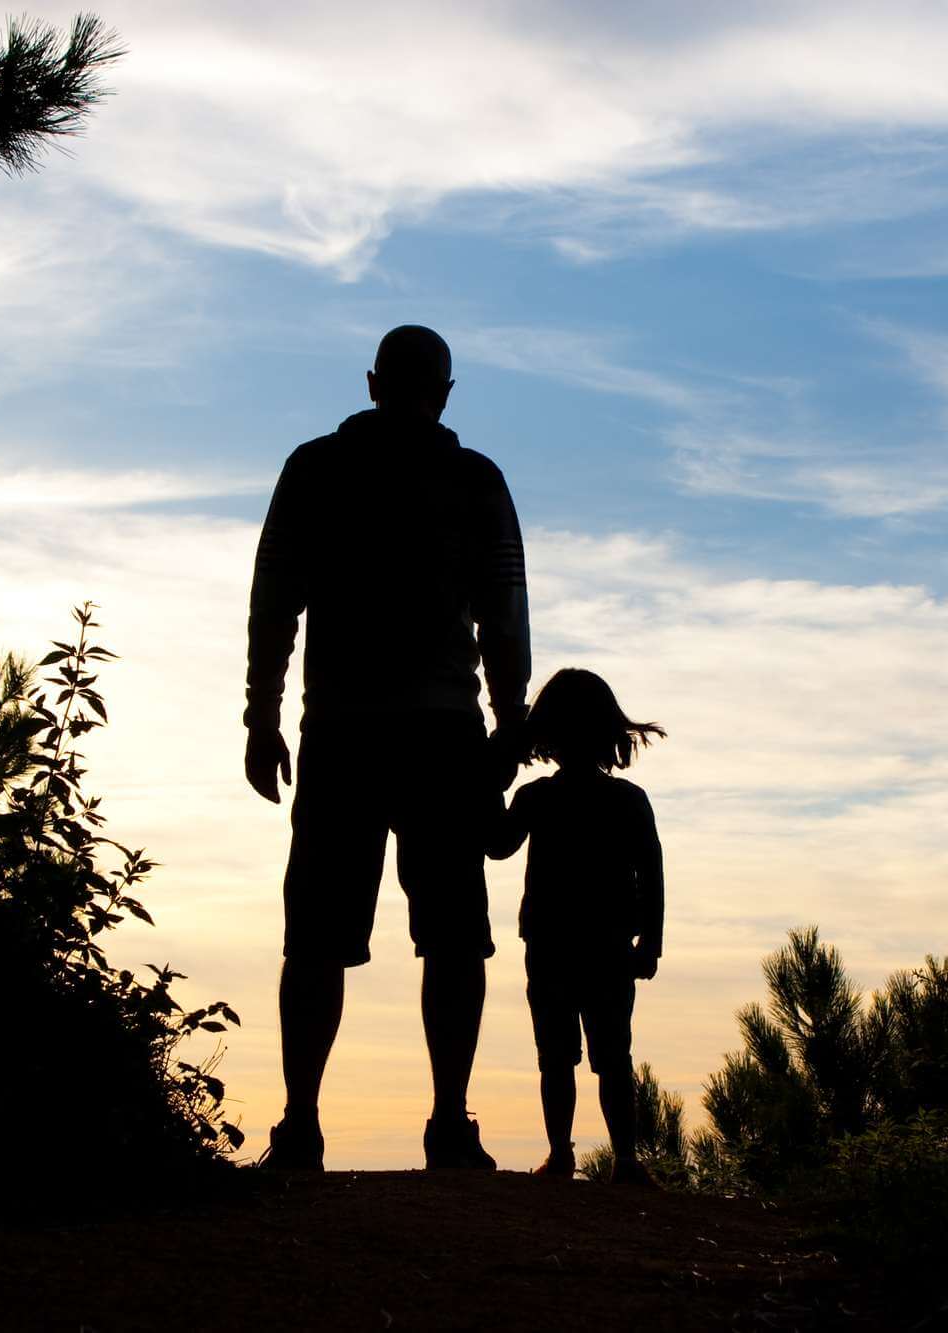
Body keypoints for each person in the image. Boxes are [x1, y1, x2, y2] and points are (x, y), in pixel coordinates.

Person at [244, 325, 530, 1171]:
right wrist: (511, 720)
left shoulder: (315, 468)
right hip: (440, 733)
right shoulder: (475, 480)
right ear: (446, 392)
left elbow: (273, 602)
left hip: (344, 729)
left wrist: (261, 714)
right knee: (452, 934)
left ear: (372, 382)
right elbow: (505, 613)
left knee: (320, 935)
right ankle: (446, 1122)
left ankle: (302, 1123)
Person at [487, 668, 665, 1184]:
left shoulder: (537, 797)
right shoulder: (626, 799)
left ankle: (566, 1155)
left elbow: (495, 844)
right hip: (602, 945)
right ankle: (622, 1159)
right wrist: (650, 943)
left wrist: (491, 779)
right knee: (609, 1055)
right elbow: (652, 874)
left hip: (555, 945)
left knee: (559, 1056)